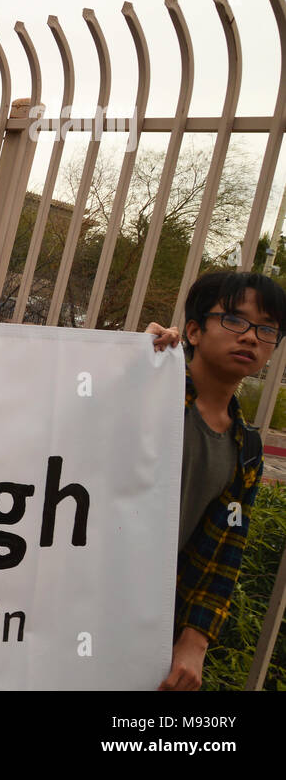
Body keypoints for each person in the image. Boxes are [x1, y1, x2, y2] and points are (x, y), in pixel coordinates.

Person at [144, 270, 286, 690]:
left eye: (266, 329)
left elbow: (224, 551)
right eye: (234, 319)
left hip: (148, 624)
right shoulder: (149, 392)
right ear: (193, 330)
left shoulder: (247, 448)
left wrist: (194, 641)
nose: (250, 337)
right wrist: (136, 355)